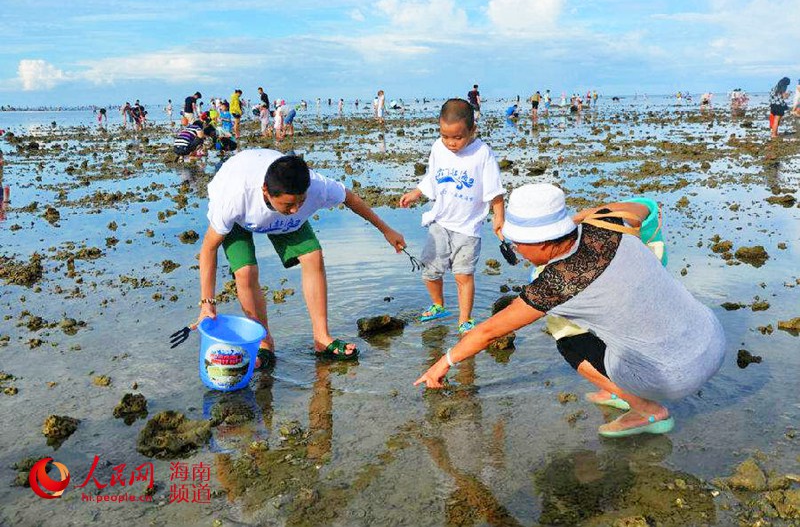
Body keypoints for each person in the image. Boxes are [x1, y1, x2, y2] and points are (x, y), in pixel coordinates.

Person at [414, 183, 726, 438]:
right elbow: (646, 206)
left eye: (517, 244)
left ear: (543, 243)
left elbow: (489, 331)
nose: (517, 252)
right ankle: (619, 387)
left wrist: (442, 363)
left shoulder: (558, 282)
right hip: (712, 338)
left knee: (567, 340)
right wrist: (580, 218)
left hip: (674, 378)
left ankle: (647, 410)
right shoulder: (609, 225)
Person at [196, 150, 407, 366]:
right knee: (245, 272)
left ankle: (322, 338)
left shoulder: (315, 185)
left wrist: (386, 230)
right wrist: (207, 303)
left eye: (301, 201)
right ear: (266, 191)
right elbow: (208, 249)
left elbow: (350, 198)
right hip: (242, 218)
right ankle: (264, 342)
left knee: (313, 256)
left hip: (282, 219)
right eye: (289, 204)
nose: (296, 208)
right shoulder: (234, 197)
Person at [399, 98, 505, 334]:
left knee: (463, 275)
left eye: (458, 137)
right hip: (440, 222)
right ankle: (439, 305)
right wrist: (417, 192)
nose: (451, 143)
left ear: (472, 130)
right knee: (429, 270)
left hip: (468, 228)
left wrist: (499, 218)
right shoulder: (438, 147)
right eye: (445, 136)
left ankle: (464, 319)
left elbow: (494, 190)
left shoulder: (482, 153)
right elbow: (432, 176)